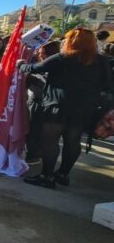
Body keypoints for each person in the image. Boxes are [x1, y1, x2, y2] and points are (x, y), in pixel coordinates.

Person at [19, 28, 112, 188]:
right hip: (84, 109)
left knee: (50, 141)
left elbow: (35, 68)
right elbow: (109, 85)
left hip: (57, 106)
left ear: (71, 41)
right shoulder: (101, 61)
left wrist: (20, 64)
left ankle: (47, 177)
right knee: (73, 142)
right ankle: (63, 174)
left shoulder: (63, 58)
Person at [25, 40, 61, 176]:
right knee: (45, 135)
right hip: (46, 105)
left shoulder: (47, 67)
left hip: (40, 104)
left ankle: (33, 156)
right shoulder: (59, 65)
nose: (38, 54)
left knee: (35, 131)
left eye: (41, 52)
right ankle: (37, 155)